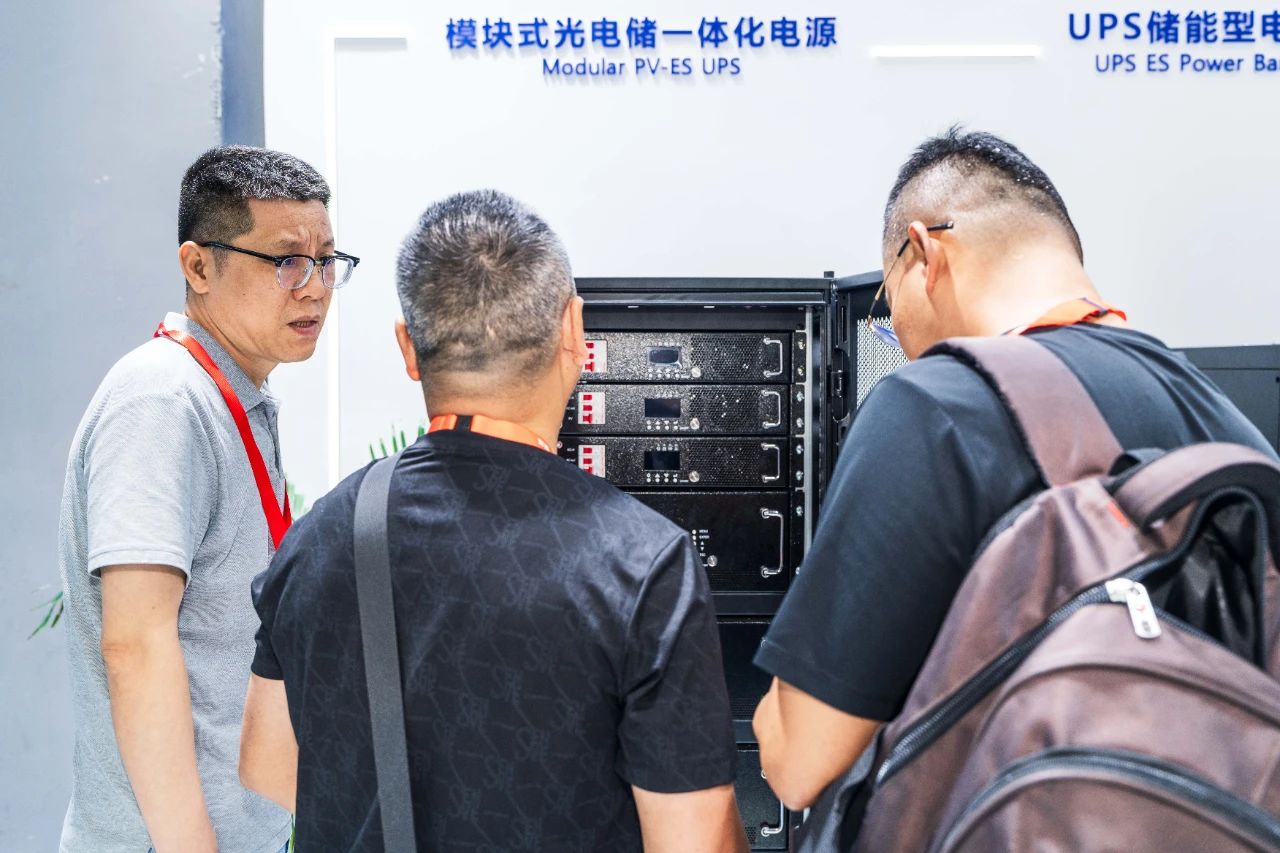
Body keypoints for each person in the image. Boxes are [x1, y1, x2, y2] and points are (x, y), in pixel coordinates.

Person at [751, 127, 1278, 810]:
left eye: (886, 305)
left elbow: (800, 763)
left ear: (925, 253)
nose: (897, 334)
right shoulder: (1230, 428)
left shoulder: (935, 405)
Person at [240, 189, 747, 852]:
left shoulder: (321, 534)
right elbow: (694, 841)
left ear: (408, 348)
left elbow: (267, 763)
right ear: (573, 333)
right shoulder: (642, 561)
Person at [58, 145, 355, 853]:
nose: (314, 288)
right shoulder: (163, 400)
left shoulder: (232, 397)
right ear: (198, 267)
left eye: (326, 261)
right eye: (286, 260)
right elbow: (135, 643)